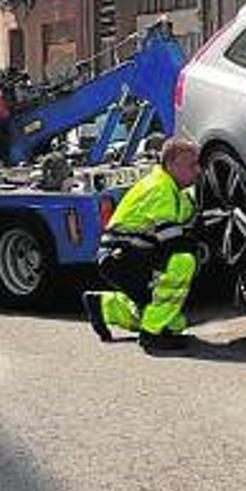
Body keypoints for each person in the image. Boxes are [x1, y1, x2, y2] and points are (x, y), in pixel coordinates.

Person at [83, 137, 204, 350]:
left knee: (175, 323)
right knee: (183, 259)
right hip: (123, 258)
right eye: (191, 165)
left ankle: (104, 307)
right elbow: (171, 239)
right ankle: (151, 335)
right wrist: (198, 247)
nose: (198, 170)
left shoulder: (169, 186)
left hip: (126, 256)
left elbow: (187, 212)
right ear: (171, 165)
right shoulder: (161, 189)